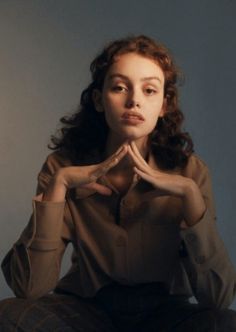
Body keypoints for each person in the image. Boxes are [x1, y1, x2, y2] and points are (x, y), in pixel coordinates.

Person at [0, 35, 235, 331]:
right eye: (119, 87)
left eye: (149, 90)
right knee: (9, 314)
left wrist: (190, 196)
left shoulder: (190, 172)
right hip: (88, 311)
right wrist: (59, 186)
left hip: (165, 314)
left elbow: (218, 296)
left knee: (225, 324)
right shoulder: (63, 167)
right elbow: (29, 288)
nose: (134, 100)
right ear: (99, 100)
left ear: (164, 105)